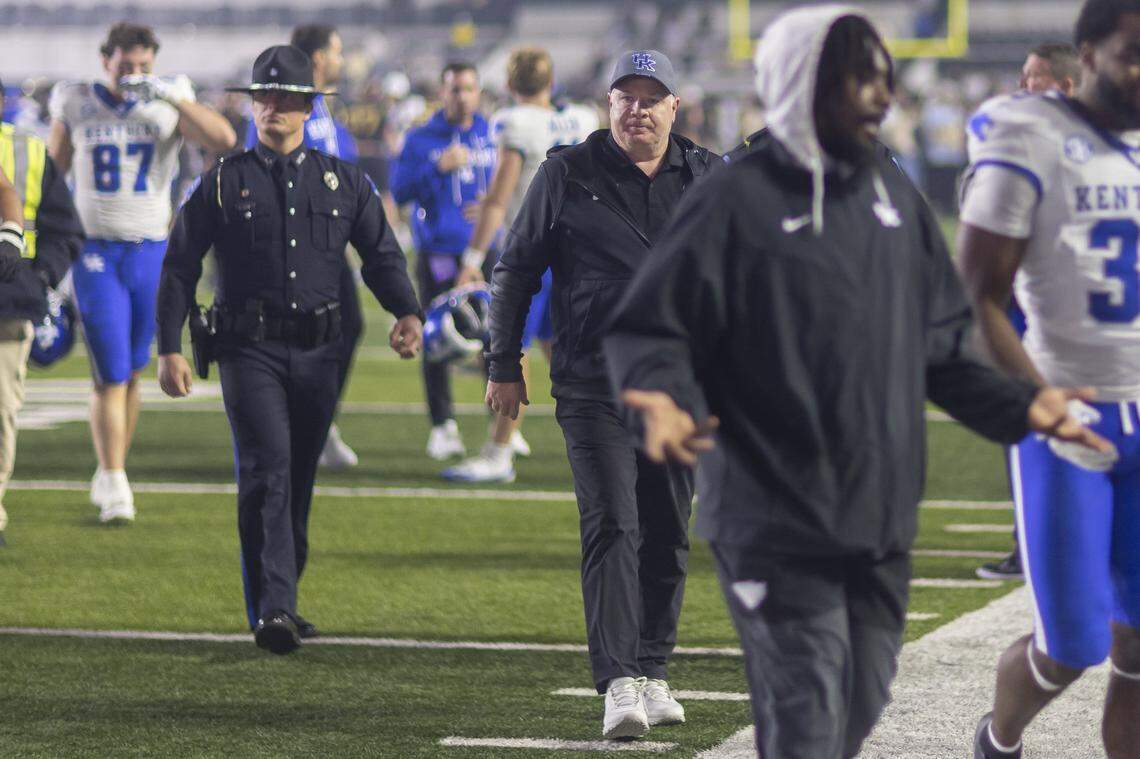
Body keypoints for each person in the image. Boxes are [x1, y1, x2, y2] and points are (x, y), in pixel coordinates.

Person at [600, 9, 1112, 759]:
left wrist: (1027, 406)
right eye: (859, 78)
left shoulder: (894, 196)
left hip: (877, 508)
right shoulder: (733, 196)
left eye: (883, 78)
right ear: (800, 85)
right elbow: (651, 321)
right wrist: (658, 391)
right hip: (770, 509)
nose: (880, 96)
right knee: (807, 712)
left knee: (860, 699)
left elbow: (942, 346)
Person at [155, 45, 423, 655]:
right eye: (264, 98)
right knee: (267, 471)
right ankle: (274, 606)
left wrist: (406, 310)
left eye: (286, 99)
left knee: (297, 477)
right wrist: (169, 347)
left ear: (307, 107)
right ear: (253, 105)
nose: (273, 109)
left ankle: (280, 596)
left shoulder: (344, 181)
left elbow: (380, 254)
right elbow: (177, 269)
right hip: (247, 351)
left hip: (321, 354)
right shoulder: (221, 182)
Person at [486, 49, 718, 740]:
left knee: (668, 531)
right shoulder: (567, 172)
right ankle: (617, 680)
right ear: (607, 103)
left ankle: (652, 666)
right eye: (627, 96)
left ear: (676, 107)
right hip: (594, 381)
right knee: (615, 520)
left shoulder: (707, 176)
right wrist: (503, 359)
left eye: (653, 97)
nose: (639, 109)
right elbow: (516, 269)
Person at [959, 1, 1140, 756]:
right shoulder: (1030, 133)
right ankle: (998, 738)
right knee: (1071, 646)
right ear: (1089, 53)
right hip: (1068, 419)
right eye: (1134, 55)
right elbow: (978, 297)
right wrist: (1038, 399)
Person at [47, 22, 236, 524]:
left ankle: (114, 469)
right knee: (109, 372)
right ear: (105, 60)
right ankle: (113, 480)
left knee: (130, 371)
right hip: (95, 253)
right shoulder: (76, 101)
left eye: (142, 65)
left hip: (153, 251)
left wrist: (169, 97)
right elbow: (52, 173)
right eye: (125, 65)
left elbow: (224, 138)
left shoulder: (169, 97)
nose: (134, 74)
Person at [443, 46, 598, 483]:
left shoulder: (515, 123)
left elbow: (498, 198)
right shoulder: (581, 120)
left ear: (510, 85)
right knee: (563, 353)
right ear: (551, 83)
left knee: (509, 350)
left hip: (533, 253)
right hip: (575, 251)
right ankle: (595, 434)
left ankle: (500, 450)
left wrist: (472, 259)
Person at [976, 39, 1082, 583]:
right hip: (1024, 314)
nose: (1021, 86)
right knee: (1026, 433)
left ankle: (1046, 547)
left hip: (1069, 324)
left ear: (1064, 86)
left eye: (1033, 77)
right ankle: (1033, 545)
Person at [243, 24, 362, 471]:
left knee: (345, 328)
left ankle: (319, 419)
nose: (341, 60)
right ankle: (300, 424)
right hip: (299, 246)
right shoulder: (285, 110)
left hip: (331, 245)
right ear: (316, 58)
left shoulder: (325, 110)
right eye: (336, 51)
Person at [391, 62, 495, 462]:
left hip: (486, 251)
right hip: (437, 252)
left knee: (497, 340)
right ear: (442, 92)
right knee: (436, 340)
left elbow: (511, 181)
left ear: (478, 91)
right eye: (454, 89)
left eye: (468, 88)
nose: (462, 96)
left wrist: (495, 205)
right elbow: (399, 191)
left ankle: (500, 425)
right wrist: (437, 167)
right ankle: (442, 425)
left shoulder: (491, 132)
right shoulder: (419, 138)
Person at [0, 85, 84, 545]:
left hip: (8, 299)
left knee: (0, 411)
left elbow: (65, 229)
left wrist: (42, 278)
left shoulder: (26, 151)